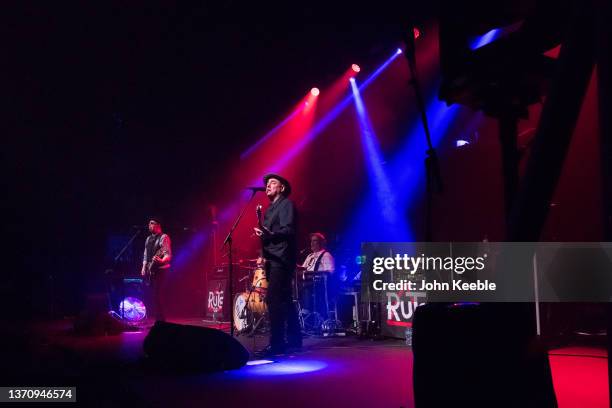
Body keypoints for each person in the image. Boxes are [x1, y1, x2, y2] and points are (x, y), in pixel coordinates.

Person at [254, 174, 302, 355]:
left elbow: (288, 229)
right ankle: (295, 338)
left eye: (272, 183)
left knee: (274, 299)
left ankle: (277, 343)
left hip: (282, 258)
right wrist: (262, 247)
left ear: (282, 188)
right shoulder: (269, 209)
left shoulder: (286, 204)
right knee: (285, 299)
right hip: (272, 258)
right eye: (266, 183)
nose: (267, 185)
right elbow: (269, 234)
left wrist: (269, 233)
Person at [141, 217, 172, 322]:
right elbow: (146, 254)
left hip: (161, 270)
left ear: (158, 225)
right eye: (149, 223)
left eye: (152, 223)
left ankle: (162, 320)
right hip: (151, 270)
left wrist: (162, 260)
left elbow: (168, 254)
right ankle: (157, 319)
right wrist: (144, 267)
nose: (149, 225)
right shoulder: (148, 239)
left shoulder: (164, 237)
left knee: (158, 295)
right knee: (153, 296)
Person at [299, 232, 336, 319]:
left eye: (315, 241)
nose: (312, 243)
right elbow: (303, 269)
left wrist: (315, 274)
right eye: (311, 241)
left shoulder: (326, 255)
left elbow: (331, 272)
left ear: (322, 243)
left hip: (318, 285)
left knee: (305, 288)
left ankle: (306, 313)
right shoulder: (309, 256)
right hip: (306, 283)